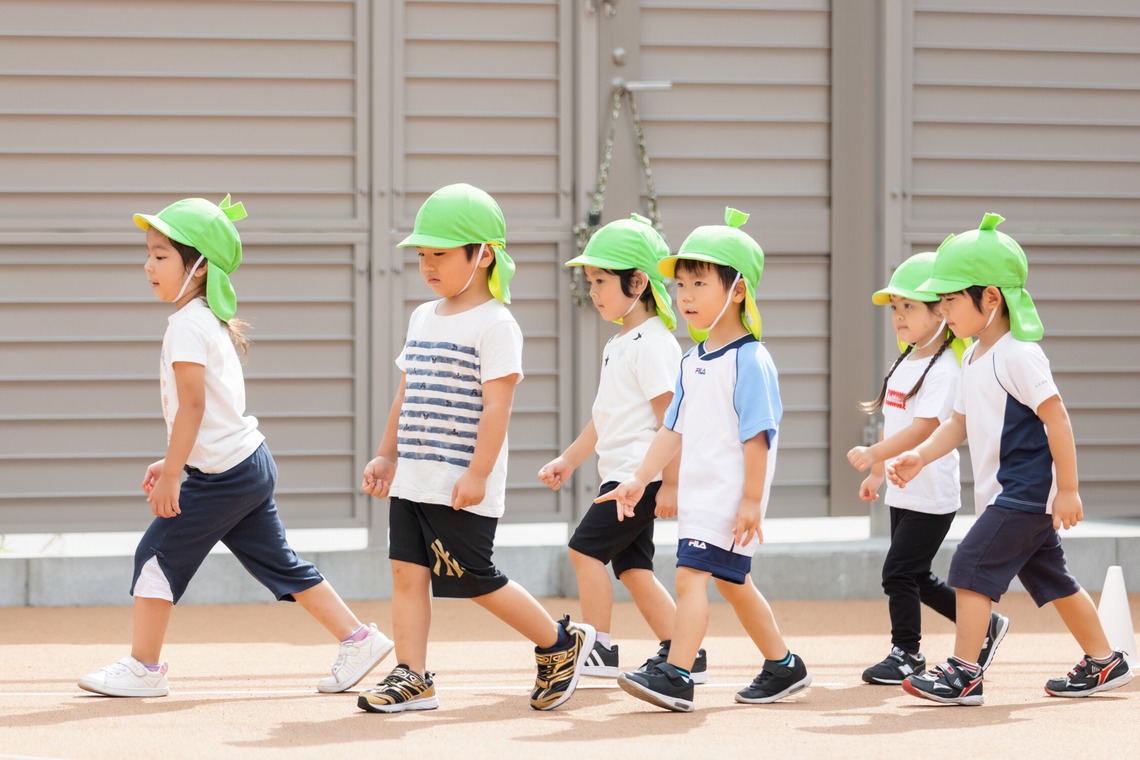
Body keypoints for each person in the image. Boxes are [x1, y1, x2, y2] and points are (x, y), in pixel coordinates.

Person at [78, 196, 393, 698]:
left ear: (198, 267)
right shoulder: (202, 317)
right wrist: (176, 460)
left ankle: (145, 669)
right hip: (244, 464)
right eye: (148, 254)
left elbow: (195, 407)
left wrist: (177, 473)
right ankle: (359, 639)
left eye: (161, 256)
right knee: (279, 562)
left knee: (155, 555)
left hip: (223, 473)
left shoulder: (187, 324)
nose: (148, 266)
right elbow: (209, 413)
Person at [358, 183, 595, 713]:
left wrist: (478, 473)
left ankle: (560, 643)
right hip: (414, 477)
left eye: (440, 254)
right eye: (422, 254)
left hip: (460, 481)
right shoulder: (423, 317)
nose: (428, 265)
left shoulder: (496, 324)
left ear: (484, 254)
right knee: (406, 574)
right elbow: (407, 391)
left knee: (474, 579)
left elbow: (497, 408)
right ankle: (413, 675)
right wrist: (386, 455)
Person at [889, 213, 1134, 705]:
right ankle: (1106, 661)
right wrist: (919, 454)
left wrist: (1068, 488)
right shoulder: (973, 355)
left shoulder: (1019, 354)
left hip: (1023, 493)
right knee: (1054, 579)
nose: (943, 309)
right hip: (1009, 495)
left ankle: (964, 673)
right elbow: (957, 423)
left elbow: (1057, 418)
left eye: (952, 299)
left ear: (992, 298)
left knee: (969, 566)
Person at [599, 208, 809, 712]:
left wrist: (752, 501)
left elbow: (758, 437)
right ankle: (783, 666)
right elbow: (671, 430)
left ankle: (678, 671)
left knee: (690, 575)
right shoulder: (691, 361)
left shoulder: (751, 360)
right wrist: (639, 479)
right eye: (681, 285)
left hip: (728, 498)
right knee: (733, 585)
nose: (685, 296)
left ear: (737, 291)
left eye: (698, 283)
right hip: (702, 497)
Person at [538, 214, 707, 683]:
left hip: (640, 478)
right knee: (633, 569)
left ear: (638, 282)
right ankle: (686, 652)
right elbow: (604, 415)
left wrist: (669, 484)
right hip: (624, 476)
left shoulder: (653, 344)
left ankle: (599, 647)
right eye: (589, 281)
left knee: (583, 550)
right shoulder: (620, 343)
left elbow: (673, 420)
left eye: (600, 281)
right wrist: (569, 460)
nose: (592, 291)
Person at [846, 252, 1008, 685]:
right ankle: (983, 625)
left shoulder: (947, 368)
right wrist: (877, 473)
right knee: (916, 574)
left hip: (931, 491)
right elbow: (895, 420)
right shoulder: (906, 361)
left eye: (909, 308)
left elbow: (925, 429)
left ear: (941, 311)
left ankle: (906, 654)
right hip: (903, 488)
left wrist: (875, 453)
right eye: (895, 309)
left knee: (897, 572)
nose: (898, 317)